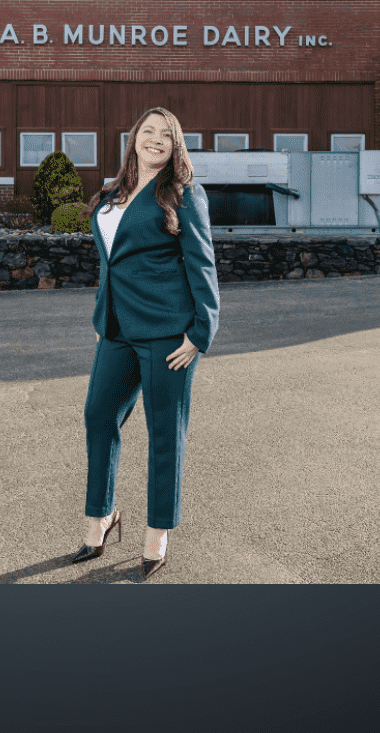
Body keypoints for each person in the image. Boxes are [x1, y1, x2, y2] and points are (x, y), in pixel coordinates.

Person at [70, 107, 220, 580]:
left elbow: (203, 263)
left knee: (163, 434)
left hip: (167, 335)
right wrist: (103, 313)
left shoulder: (182, 194)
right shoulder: (112, 194)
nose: (155, 139)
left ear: (175, 148)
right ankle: (101, 516)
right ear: (134, 139)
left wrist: (201, 333)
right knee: (98, 415)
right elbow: (110, 262)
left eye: (166, 136)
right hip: (116, 330)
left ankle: (157, 534)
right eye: (148, 131)